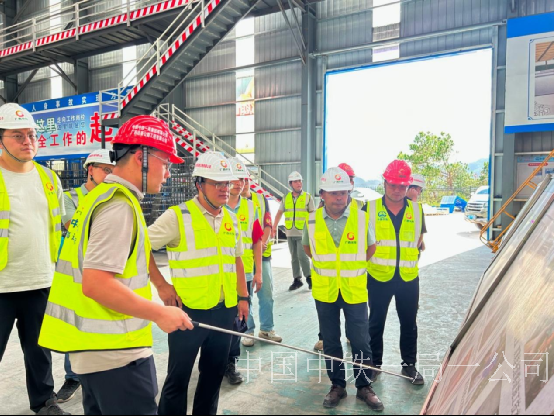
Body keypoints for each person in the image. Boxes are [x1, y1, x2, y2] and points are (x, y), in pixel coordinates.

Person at [39, 115, 194, 415]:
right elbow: (96, 283)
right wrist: (159, 313)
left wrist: (159, 286)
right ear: (141, 158)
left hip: (97, 351)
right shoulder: (118, 205)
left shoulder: (100, 197)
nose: (168, 173)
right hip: (116, 356)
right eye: (165, 163)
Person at [148, 151, 250, 415]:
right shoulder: (177, 216)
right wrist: (161, 285)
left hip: (224, 310)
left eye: (226, 183)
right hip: (188, 312)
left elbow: (237, 260)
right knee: (178, 379)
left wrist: (243, 297)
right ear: (199, 184)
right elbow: (140, 247)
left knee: (213, 376)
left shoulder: (231, 218)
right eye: (217, 183)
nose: (224, 189)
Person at [0, 103, 68, 416]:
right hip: (2, 284)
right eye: (18, 136)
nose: (28, 141)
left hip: (40, 278)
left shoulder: (49, 177)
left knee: (40, 350)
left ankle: (44, 402)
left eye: (31, 135)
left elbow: (64, 224)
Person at [303, 167, 383, 411]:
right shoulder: (312, 220)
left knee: (360, 340)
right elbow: (308, 249)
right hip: (325, 290)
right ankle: (337, 385)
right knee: (330, 341)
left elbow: (371, 247)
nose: (340, 197)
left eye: (344, 192)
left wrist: (350, 267)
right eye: (334, 193)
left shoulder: (361, 218)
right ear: (323, 194)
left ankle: (364, 386)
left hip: (354, 289)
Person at [56, 149, 115, 404]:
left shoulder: (114, 197)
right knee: (75, 324)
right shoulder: (71, 197)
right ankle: (73, 377)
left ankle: (104, 372)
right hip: (77, 272)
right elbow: (74, 226)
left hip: (108, 270)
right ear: (90, 169)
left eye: (113, 171)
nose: (110, 175)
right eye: (106, 170)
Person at [363, 160, 426, 385]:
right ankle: (374, 364)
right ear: (384, 183)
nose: (397, 190)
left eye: (402, 186)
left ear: (408, 185)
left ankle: (409, 365)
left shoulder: (417, 210)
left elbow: (419, 240)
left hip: (408, 277)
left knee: (409, 323)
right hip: (378, 276)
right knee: (375, 323)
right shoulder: (369, 209)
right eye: (392, 185)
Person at [224, 158, 263, 384]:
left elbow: (257, 240)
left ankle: (231, 363)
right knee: (219, 320)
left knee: (238, 320)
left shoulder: (250, 207)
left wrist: (258, 272)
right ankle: (213, 361)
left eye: (242, 179)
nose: (239, 183)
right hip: (218, 274)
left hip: (244, 273)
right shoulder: (215, 205)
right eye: (234, 178)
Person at [241, 175, 282, 343]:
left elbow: (267, 224)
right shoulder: (231, 202)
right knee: (245, 294)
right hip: (242, 257)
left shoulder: (260, 198)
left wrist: (261, 243)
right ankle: (247, 331)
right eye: (239, 179)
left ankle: (266, 329)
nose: (243, 184)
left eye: (246, 180)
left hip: (262, 254)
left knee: (266, 293)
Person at [273, 171, 315, 291]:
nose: (299, 183)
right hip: (290, 232)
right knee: (294, 257)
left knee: (302, 256)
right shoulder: (286, 198)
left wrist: (313, 231)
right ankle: (297, 279)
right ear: (290, 184)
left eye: (300, 181)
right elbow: (279, 213)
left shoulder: (307, 197)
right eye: (295, 181)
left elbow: (313, 214)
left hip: (303, 233)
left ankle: (309, 277)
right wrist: (274, 226)